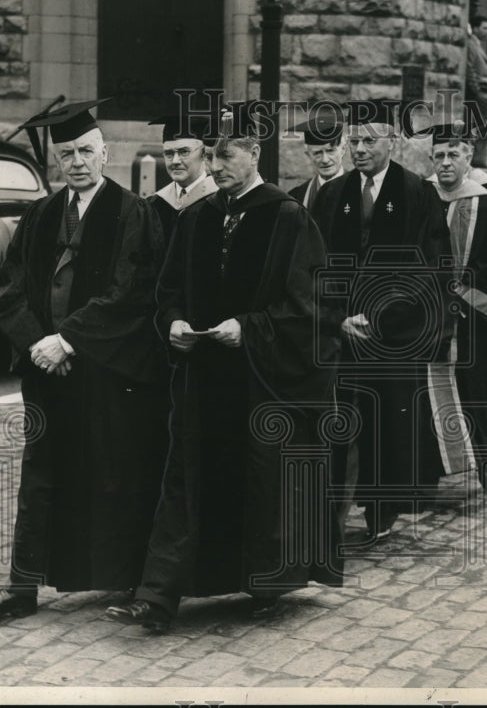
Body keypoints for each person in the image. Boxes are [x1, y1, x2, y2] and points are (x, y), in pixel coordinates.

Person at [105, 102, 343, 633]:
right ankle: (158, 596)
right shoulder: (197, 217)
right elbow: (166, 292)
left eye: (225, 155)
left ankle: (264, 584)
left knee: (257, 483)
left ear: (254, 152)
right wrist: (171, 324)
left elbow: (312, 307)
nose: (215, 167)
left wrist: (250, 326)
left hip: (259, 381)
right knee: (185, 481)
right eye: (210, 156)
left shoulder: (286, 217)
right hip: (201, 379)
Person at [0, 99, 169, 620]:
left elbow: (133, 293)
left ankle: (123, 578)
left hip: (106, 370)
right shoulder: (38, 214)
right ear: (56, 161)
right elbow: (8, 289)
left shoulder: (133, 214)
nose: (76, 161)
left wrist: (70, 340)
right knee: (40, 477)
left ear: (105, 152)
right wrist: (39, 343)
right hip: (48, 372)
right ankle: (21, 587)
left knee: (114, 472)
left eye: (85, 150)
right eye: (66, 154)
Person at [310, 99, 453, 544]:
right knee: (342, 422)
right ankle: (333, 512)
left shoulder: (417, 193)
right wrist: (338, 318)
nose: (359, 149)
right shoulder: (333, 195)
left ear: (391, 142)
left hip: (393, 332)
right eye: (354, 140)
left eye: (370, 140)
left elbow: (430, 267)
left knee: (388, 421)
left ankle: (381, 512)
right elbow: (315, 264)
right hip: (344, 333)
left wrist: (376, 315)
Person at [422, 121, 487, 492]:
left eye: (454, 154)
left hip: (474, 321)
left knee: (476, 391)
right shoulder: (419, 197)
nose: (445, 162)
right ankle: (427, 473)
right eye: (439, 155)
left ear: (469, 156)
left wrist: (463, 294)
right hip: (427, 320)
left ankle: (481, 464)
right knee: (425, 394)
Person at [146, 112, 219, 246]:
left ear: (204, 154)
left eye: (184, 152)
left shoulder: (219, 202)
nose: (175, 161)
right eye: (168, 153)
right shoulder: (154, 205)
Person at [289, 109, 347, 209]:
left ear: (343, 149)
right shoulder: (297, 196)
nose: (325, 160)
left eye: (330, 151)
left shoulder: (359, 188)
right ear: (308, 155)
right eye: (317, 153)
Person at [465, 14, 487, 168]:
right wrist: (476, 89)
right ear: (475, 28)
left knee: (484, 124)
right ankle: (477, 158)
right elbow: (469, 67)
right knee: (483, 124)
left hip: (484, 90)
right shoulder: (471, 44)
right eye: (485, 28)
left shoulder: (477, 44)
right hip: (478, 92)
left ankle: (479, 158)